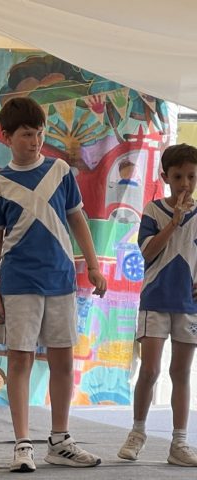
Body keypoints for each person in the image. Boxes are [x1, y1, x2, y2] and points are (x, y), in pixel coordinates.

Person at [0, 97, 107, 473]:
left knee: (62, 360)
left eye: (39, 134)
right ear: (6, 137)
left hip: (60, 280)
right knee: (19, 360)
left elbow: (77, 219)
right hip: (18, 282)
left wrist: (93, 265)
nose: (34, 141)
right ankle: (22, 444)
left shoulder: (60, 171)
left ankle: (60, 440)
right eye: (25, 135)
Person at [117, 143, 197, 467]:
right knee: (149, 370)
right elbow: (147, 253)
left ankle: (179, 442)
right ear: (165, 177)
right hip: (155, 300)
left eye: (191, 176)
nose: (185, 184)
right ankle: (137, 432)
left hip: (189, 305)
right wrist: (174, 222)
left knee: (181, 372)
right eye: (178, 177)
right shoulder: (153, 210)